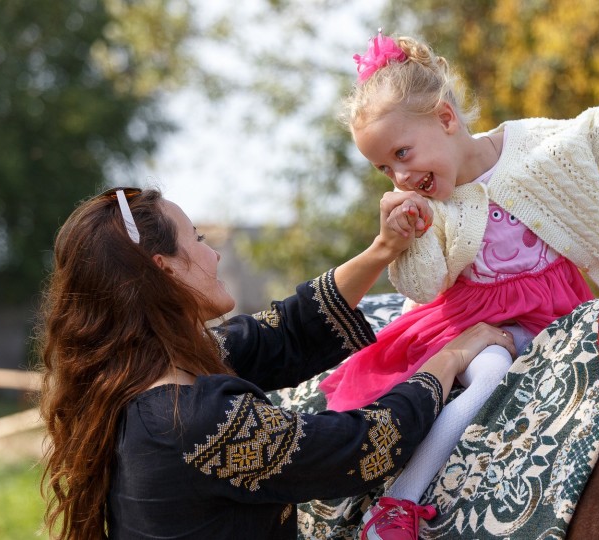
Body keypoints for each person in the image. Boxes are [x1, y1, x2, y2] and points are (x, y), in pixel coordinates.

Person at [317, 29, 599, 539]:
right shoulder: (432, 206)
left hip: (555, 317)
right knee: (490, 373)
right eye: (384, 168)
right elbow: (424, 286)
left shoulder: (536, 146)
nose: (399, 176)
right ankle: (395, 506)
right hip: (472, 325)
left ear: (446, 119)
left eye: (402, 154)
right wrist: (407, 238)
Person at [36, 186, 517, 540]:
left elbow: (287, 329)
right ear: (167, 269)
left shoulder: (145, 374)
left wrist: (384, 249)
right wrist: (450, 357)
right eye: (198, 239)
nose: (215, 253)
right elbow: (363, 446)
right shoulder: (195, 419)